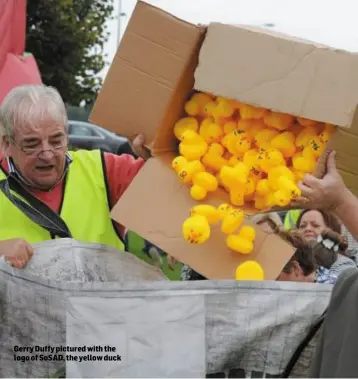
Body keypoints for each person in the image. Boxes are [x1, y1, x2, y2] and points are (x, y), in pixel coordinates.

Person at [0, 84, 150, 268]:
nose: (47, 154)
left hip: (101, 297)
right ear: (6, 144)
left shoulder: (105, 171)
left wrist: (157, 155)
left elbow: (179, 183)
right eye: (31, 144)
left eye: (56, 140)